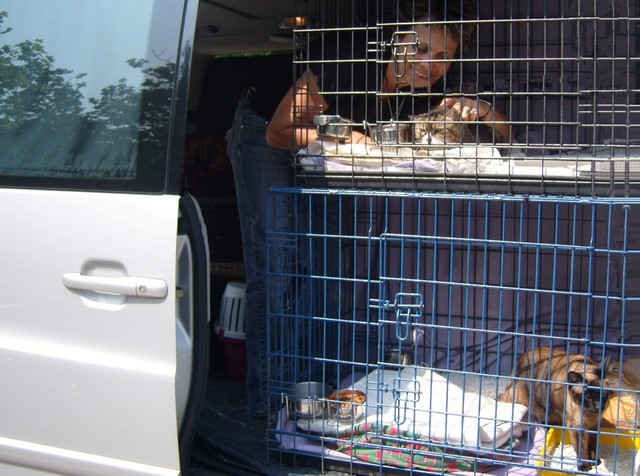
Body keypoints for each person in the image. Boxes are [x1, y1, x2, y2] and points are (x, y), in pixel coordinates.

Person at [266, 0, 511, 150]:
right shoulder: (347, 60)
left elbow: (508, 137)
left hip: (322, 144)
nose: (428, 65)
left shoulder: (433, 88)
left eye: (443, 56)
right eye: (420, 48)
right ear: (396, 38)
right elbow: (279, 130)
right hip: (265, 126)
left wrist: (483, 110)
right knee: (280, 221)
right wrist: (350, 139)